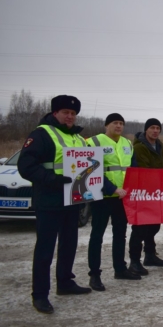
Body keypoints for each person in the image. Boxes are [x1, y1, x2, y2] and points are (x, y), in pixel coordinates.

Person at [18, 95, 92, 314]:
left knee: (69, 245)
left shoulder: (79, 138)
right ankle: (40, 295)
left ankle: (65, 282)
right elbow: (26, 166)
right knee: (45, 250)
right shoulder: (42, 134)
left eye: (73, 114)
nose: (69, 117)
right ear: (54, 113)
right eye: (65, 113)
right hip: (49, 201)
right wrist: (52, 179)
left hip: (72, 201)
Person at [86, 113, 141, 292]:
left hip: (122, 197)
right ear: (106, 125)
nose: (118, 126)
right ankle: (95, 275)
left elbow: (133, 169)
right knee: (97, 236)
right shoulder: (94, 142)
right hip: (102, 196)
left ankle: (120, 269)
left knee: (120, 234)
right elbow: (91, 170)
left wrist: (131, 188)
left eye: (121, 123)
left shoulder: (127, 143)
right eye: (115, 123)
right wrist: (111, 189)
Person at [128, 118, 163, 276]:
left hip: (157, 192)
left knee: (154, 225)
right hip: (143, 192)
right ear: (146, 129)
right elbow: (144, 169)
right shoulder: (139, 147)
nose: (155, 130)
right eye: (152, 127)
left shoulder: (161, 145)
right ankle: (134, 260)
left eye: (158, 128)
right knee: (140, 228)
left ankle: (150, 255)